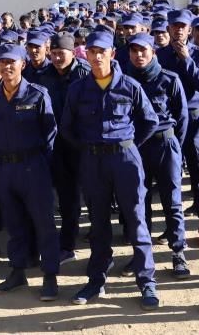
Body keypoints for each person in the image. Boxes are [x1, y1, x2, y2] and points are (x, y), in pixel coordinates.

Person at [60, 31, 160, 310]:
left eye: (102, 51)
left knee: (136, 219)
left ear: (112, 54)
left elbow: (149, 121)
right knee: (98, 222)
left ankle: (146, 281)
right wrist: (90, 147)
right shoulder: (78, 89)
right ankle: (96, 280)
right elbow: (66, 127)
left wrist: (128, 145)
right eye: (91, 52)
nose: (97, 56)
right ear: (87, 55)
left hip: (125, 159)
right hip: (93, 161)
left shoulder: (129, 86)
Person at [0, 44, 61, 301]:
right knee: (14, 223)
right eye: (2, 62)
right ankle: (18, 271)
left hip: (33, 167)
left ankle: (50, 275)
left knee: (44, 223)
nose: (7, 66)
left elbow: (51, 136)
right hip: (5, 168)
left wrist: (42, 167)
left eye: (12, 62)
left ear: (23, 65)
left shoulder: (38, 95)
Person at [124, 33, 191, 279]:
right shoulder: (125, 81)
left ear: (153, 52)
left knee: (171, 201)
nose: (138, 55)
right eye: (133, 51)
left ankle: (178, 253)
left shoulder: (169, 79)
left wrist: (175, 149)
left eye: (143, 50)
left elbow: (181, 118)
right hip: (137, 147)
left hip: (165, 144)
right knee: (139, 203)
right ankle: (142, 255)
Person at [157, 9, 199, 247]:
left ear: (189, 30)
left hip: (194, 118)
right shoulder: (159, 55)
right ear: (168, 29)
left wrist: (186, 59)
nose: (178, 30)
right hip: (170, 121)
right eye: (174, 26)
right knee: (171, 177)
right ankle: (172, 228)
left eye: (183, 26)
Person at [42, 32, 90, 262]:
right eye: (54, 54)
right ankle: (67, 244)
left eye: (62, 53)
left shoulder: (84, 74)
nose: (58, 58)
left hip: (83, 143)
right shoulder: (45, 76)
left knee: (92, 194)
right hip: (58, 144)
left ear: (72, 53)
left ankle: (100, 239)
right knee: (67, 194)